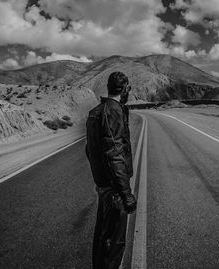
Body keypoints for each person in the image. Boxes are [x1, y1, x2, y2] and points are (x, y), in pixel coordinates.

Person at [85, 71, 137, 269]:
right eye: (128, 89)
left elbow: (90, 150)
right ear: (124, 90)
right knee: (113, 243)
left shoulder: (95, 111)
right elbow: (115, 155)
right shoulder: (113, 111)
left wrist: (100, 179)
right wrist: (126, 193)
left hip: (103, 185)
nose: (128, 93)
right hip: (113, 188)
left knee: (102, 238)